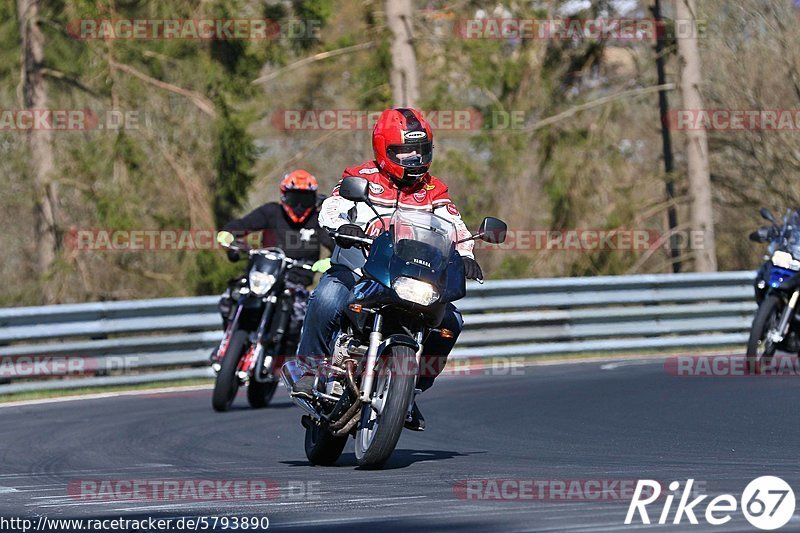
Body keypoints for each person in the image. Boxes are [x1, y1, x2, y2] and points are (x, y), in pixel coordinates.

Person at [292, 108, 483, 431]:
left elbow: (455, 227)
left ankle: (410, 390)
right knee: (327, 297)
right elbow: (332, 207)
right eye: (404, 151)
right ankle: (311, 370)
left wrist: (465, 253)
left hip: (407, 276)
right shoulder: (360, 178)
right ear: (384, 149)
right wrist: (342, 225)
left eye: (420, 151)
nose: (413, 158)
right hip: (359, 268)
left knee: (451, 321)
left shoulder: (433, 191)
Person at [216, 169, 334, 357]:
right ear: (284, 196)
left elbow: (335, 245)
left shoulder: (318, 221)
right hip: (264, 276)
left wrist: (331, 261)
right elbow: (241, 225)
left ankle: (283, 359)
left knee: (300, 318)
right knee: (228, 299)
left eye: (305, 200)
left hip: (297, 282)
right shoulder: (271, 212)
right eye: (295, 198)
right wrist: (229, 233)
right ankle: (230, 342)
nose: (300, 205)